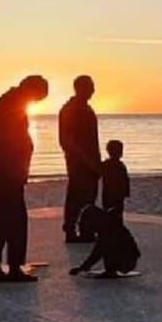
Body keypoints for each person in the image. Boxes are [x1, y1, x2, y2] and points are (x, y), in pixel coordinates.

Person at [0, 75, 49, 282]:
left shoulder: (10, 101)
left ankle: (3, 265)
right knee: (11, 219)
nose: (37, 102)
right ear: (32, 90)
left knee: (1, 218)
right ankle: (8, 267)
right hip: (6, 172)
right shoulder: (12, 104)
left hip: (3, 171)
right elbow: (10, 141)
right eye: (38, 98)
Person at [59, 75, 102, 243]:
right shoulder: (70, 109)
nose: (93, 90)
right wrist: (87, 161)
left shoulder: (86, 108)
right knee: (76, 197)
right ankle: (70, 230)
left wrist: (96, 162)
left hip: (90, 162)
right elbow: (66, 140)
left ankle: (87, 230)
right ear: (80, 88)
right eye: (90, 86)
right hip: (79, 163)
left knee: (89, 197)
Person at [68, 205, 141, 279]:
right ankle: (111, 269)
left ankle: (111, 271)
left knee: (108, 246)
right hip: (128, 259)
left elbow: (97, 253)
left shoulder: (108, 229)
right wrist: (83, 267)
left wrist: (83, 267)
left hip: (127, 262)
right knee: (107, 245)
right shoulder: (107, 224)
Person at [101, 139, 130, 220]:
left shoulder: (106, 164)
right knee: (115, 211)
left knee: (112, 211)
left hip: (111, 193)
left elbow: (125, 179)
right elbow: (126, 179)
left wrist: (126, 191)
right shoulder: (119, 165)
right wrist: (126, 192)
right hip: (113, 193)